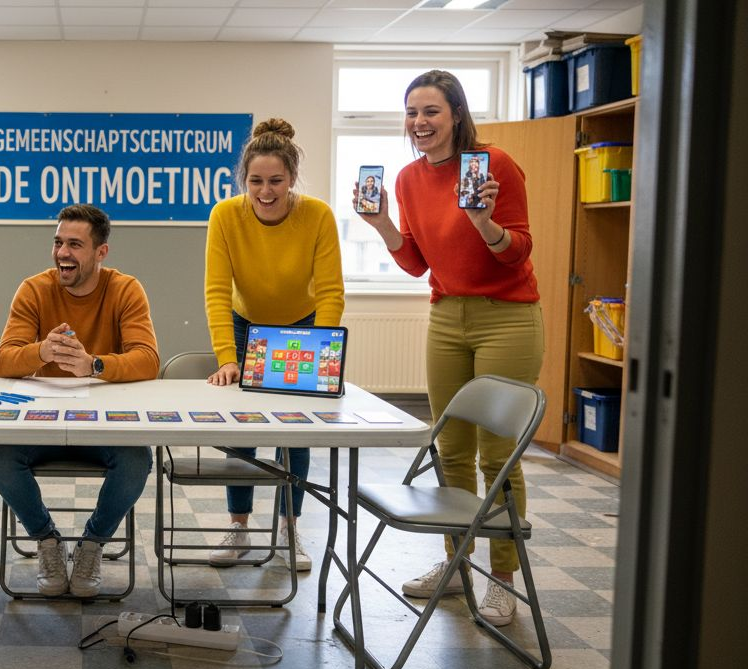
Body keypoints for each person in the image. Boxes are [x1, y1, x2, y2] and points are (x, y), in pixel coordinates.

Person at [352, 69, 542, 627]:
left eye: (430, 111)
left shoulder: (496, 165)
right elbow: (415, 262)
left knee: (497, 455)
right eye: (411, 113)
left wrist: (483, 222)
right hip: (446, 315)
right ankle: (457, 563)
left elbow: (518, 252)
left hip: (507, 316)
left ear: (456, 114)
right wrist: (382, 221)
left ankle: (503, 579)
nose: (419, 123)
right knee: (450, 450)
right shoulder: (410, 179)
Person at [0, 204, 158, 598]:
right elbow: (2, 359)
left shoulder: (125, 289)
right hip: (43, 422)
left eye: (75, 245)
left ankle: (92, 545)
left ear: (101, 253)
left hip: (104, 423)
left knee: (137, 459)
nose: (62, 252)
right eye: (59, 242)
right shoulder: (34, 288)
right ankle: (48, 541)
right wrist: (42, 353)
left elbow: (148, 358)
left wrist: (92, 364)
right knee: (0, 456)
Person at [203, 118, 345, 571]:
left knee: (292, 431)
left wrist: (321, 354)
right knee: (242, 430)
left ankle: (290, 530)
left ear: (292, 179)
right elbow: (216, 291)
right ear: (244, 179)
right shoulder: (226, 214)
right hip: (247, 324)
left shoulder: (317, 215)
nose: (266, 191)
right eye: (256, 181)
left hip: (302, 326)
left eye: (276, 181)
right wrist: (228, 357)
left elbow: (330, 292)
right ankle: (239, 527)